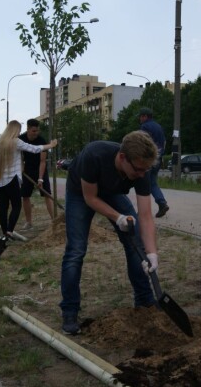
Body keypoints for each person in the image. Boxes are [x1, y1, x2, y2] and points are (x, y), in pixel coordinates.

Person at [60, 130, 160, 335]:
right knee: (76, 250)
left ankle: (144, 302)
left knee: (136, 244)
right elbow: (90, 198)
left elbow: (146, 216)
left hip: (111, 191)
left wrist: (151, 252)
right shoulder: (93, 155)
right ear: (123, 158)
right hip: (81, 193)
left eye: (145, 170)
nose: (142, 174)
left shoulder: (142, 167)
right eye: (138, 170)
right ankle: (70, 310)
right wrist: (118, 217)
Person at [0, 120, 57, 239]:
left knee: (4, 206)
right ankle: (9, 231)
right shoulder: (15, 142)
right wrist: (51, 145)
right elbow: (33, 149)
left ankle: (4, 233)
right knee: (16, 205)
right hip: (12, 179)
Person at [19, 119, 54, 230]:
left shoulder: (42, 141)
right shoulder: (21, 139)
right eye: (34, 131)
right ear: (28, 129)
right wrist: (21, 166)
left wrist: (40, 179)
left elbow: (43, 162)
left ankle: (54, 221)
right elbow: (19, 156)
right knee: (25, 196)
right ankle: (29, 222)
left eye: (37, 131)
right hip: (27, 170)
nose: (36, 133)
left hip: (40, 169)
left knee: (47, 195)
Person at [137, 107, 169, 218]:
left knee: (143, 184)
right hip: (158, 159)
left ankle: (142, 211)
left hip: (148, 159)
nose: (140, 119)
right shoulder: (159, 127)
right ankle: (162, 203)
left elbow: (143, 143)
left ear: (145, 116)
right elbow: (164, 142)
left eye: (141, 116)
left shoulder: (145, 127)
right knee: (153, 183)